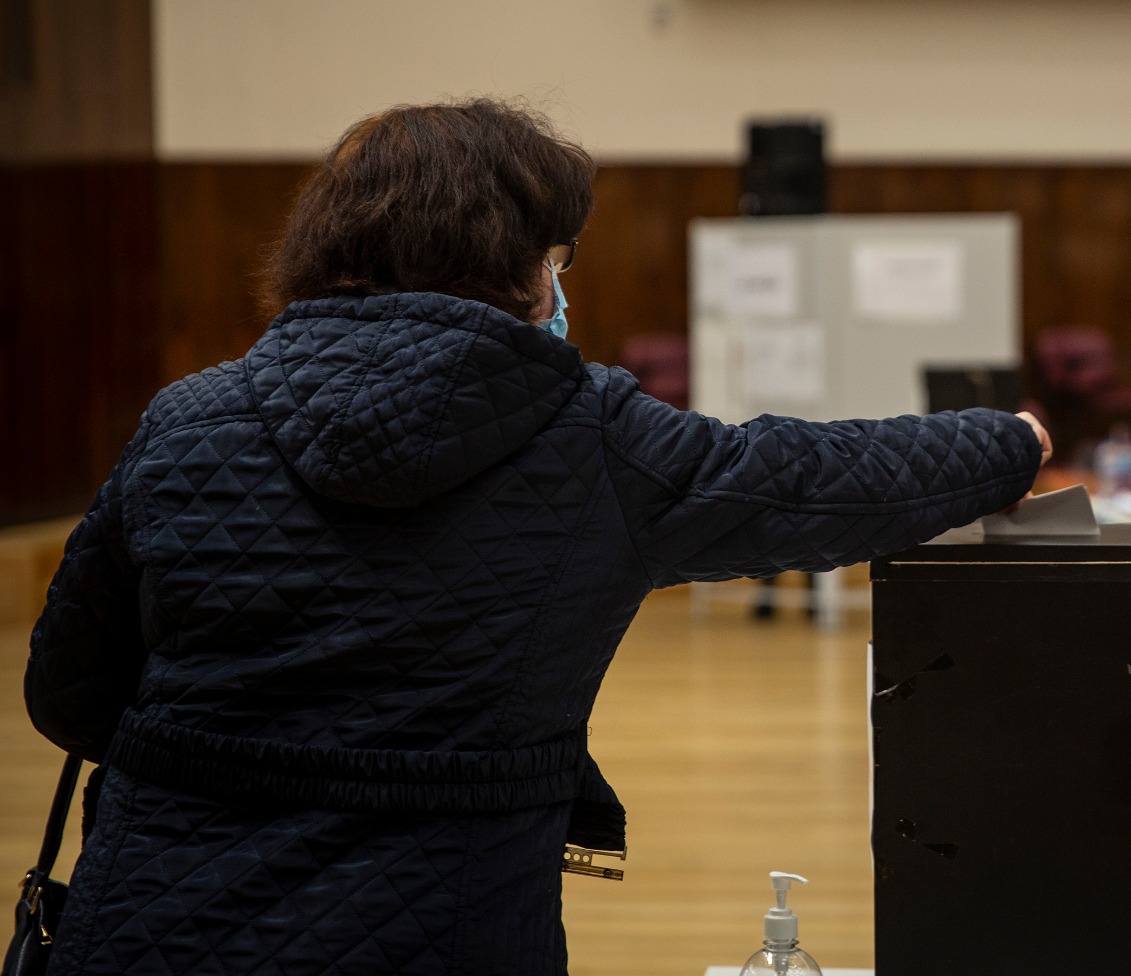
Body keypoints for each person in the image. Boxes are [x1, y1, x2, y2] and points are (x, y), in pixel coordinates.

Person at [24, 99, 1050, 976]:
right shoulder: (588, 434)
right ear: (512, 265)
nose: (561, 285)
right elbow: (808, 480)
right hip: (445, 923)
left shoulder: (186, 418)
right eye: (555, 255)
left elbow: (67, 688)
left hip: (149, 915)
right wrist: (1006, 443)